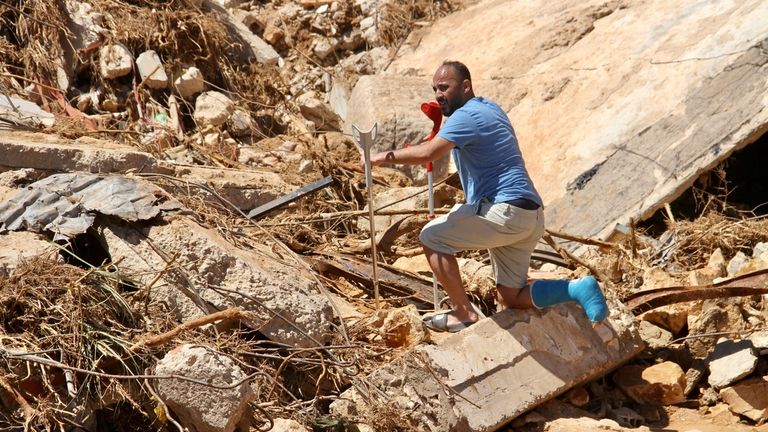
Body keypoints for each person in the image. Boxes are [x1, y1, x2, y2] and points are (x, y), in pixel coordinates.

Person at [369, 60, 608, 332]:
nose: (438, 94)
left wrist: (380, 157)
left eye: (445, 87)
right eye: (435, 88)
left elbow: (429, 154)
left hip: (503, 211)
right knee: (511, 296)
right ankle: (578, 289)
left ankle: (463, 313)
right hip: (529, 216)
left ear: (466, 86)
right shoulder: (490, 108)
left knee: (432, 237)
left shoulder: (466, 116)